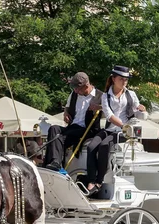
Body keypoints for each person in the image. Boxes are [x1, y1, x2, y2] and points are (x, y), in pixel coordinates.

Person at [85, 65, 146, 196]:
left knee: (104, 145)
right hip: (112, 128)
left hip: (124, 132)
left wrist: (142, 110)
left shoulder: (131, 94)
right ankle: (90, 180)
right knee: (91, 147)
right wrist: (123, 125)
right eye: (121, 79)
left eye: (126, 80)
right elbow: (109, 116)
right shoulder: (106, 96)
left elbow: (137, 112)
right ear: (113, 79)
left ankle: (99, 181)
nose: (124, 82)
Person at [44, 72, 103, 171]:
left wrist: (99, 107)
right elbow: (67, 106)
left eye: (77, 88)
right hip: (72, 127)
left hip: (87, 129)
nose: (75, 91)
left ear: (86, 86)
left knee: (60, 137)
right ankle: (55, 162)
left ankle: (55, 163)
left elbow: (110, 110)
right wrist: (66, 113)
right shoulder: (74, 94)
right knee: (54, 129)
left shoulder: (101, 96)